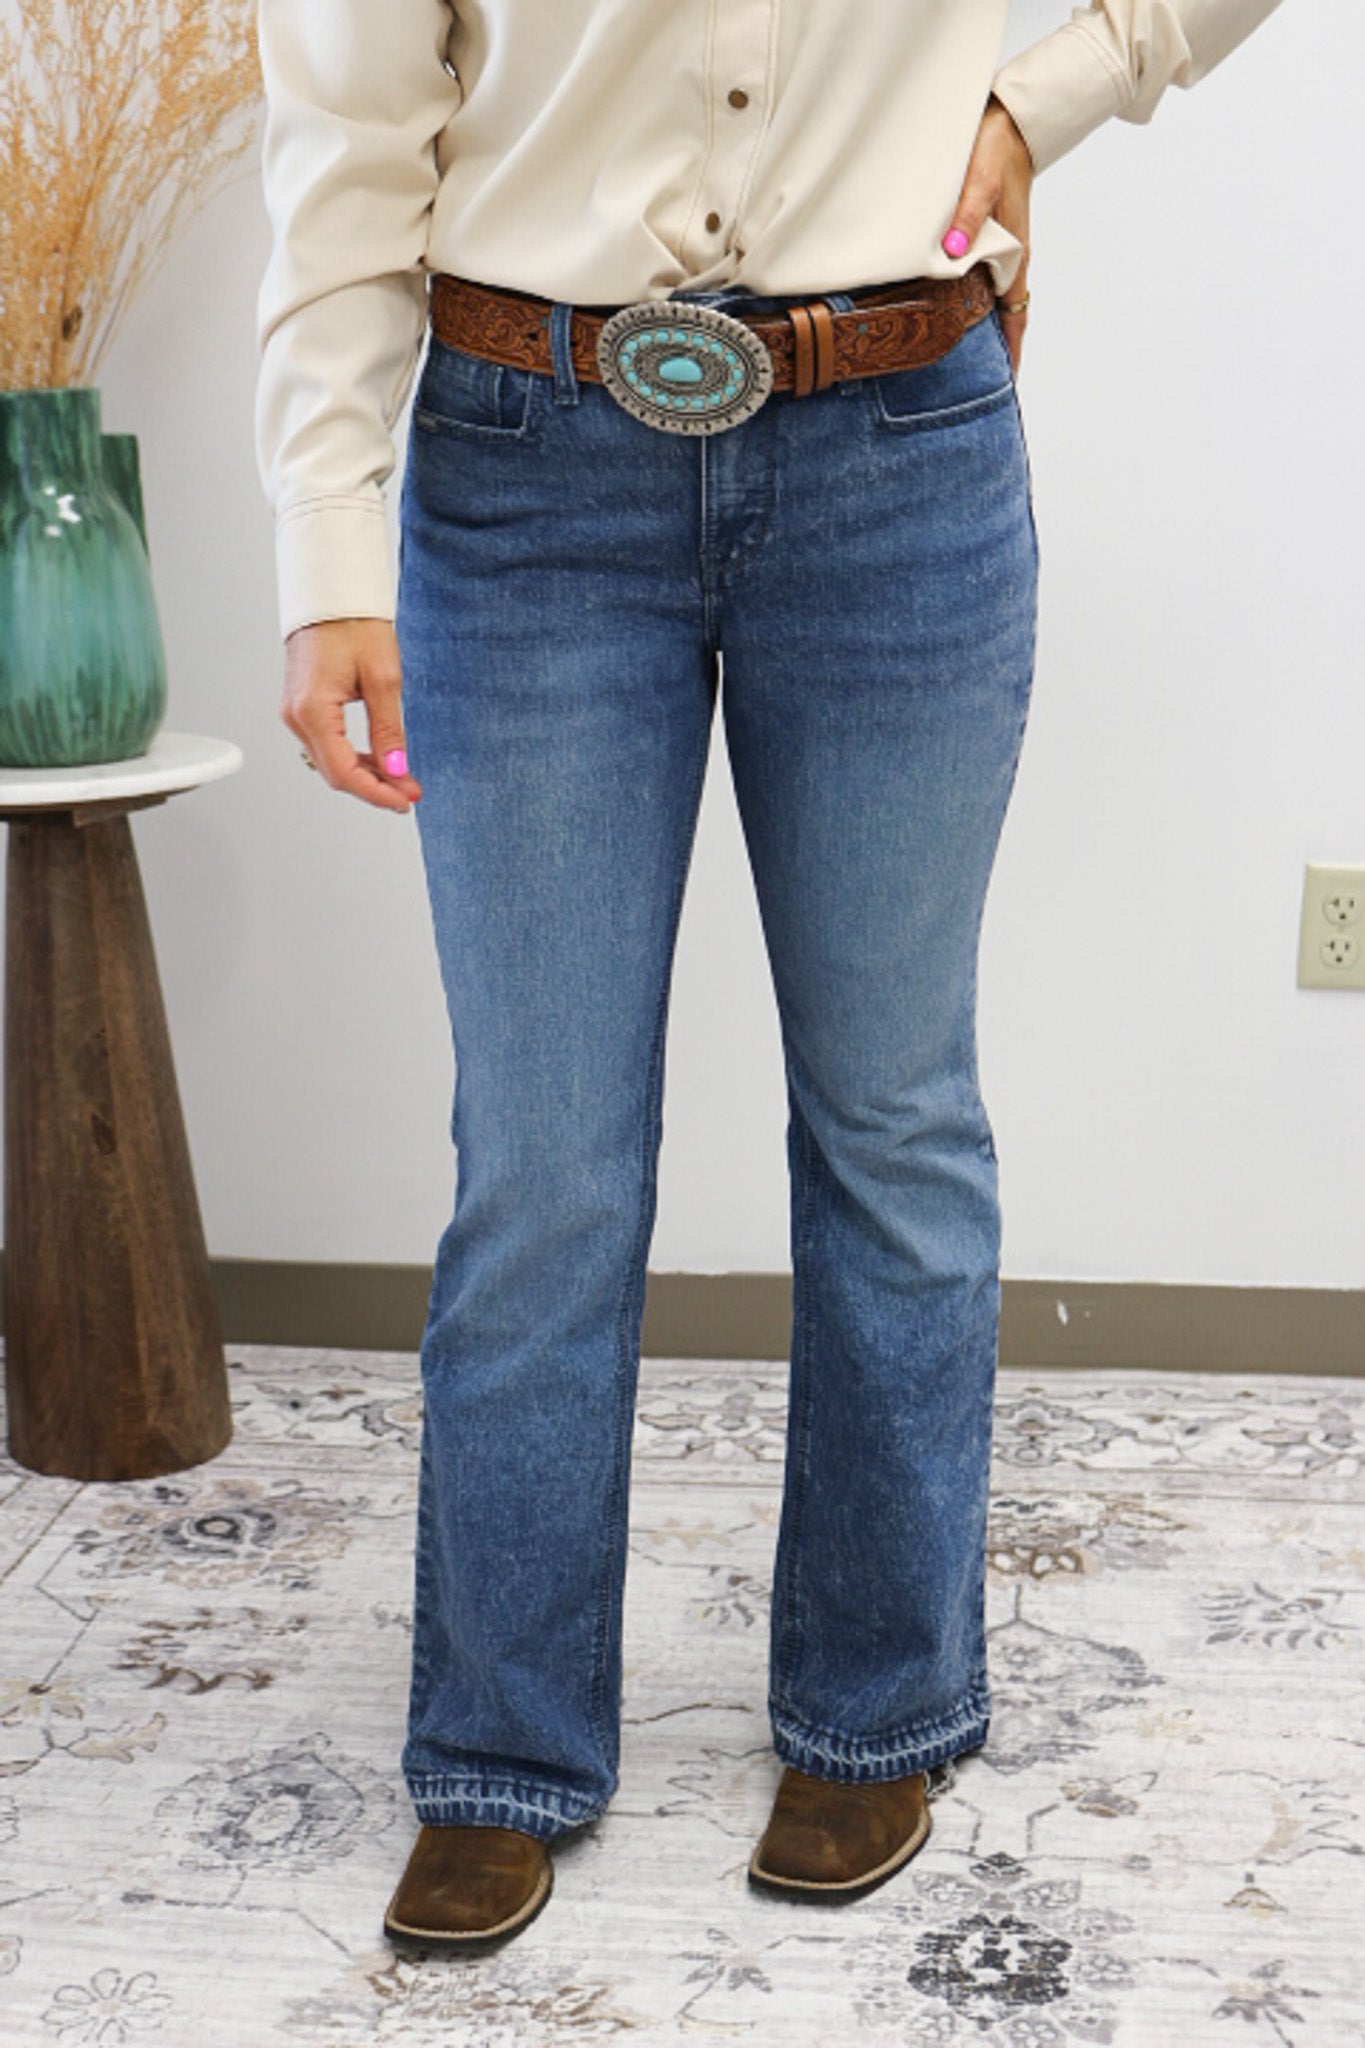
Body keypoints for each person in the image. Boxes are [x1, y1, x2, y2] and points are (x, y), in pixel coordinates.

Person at [254, 0, 1283, 1953]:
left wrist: (1047, 96)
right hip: (523, 467)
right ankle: (499, 1749)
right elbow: (345, 134)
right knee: (541, 1162)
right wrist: (324, 547)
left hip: (896, 443)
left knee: (892, 1116)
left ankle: (874, 1704)